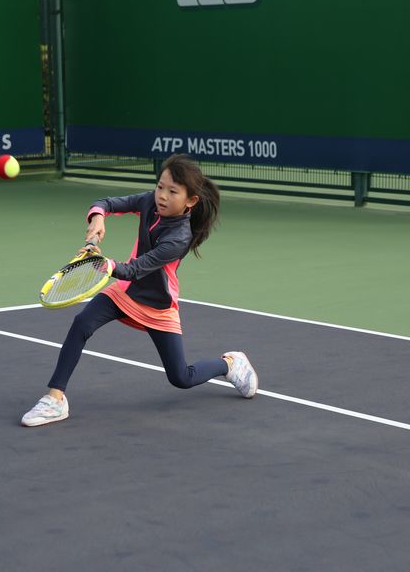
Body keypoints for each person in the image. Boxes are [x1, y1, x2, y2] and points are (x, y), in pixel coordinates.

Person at [22, 154, 258, 427]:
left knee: (181, 378)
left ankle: (230, 364)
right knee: (82, 322)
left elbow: (135, 269)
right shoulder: (149, 202)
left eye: (173, 191)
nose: (162, 195)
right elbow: (106, 203)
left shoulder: (178, 238)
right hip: (125, 292)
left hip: (158, 306)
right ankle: (55, 399)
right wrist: (97, 219)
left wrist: (101, 264)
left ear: (191, 200)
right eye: (160, 186)